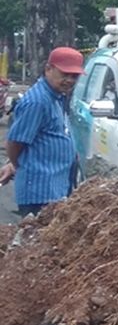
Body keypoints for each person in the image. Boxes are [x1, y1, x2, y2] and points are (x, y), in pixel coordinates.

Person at [0, 47, 85, 215]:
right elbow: (14, 142)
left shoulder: (56, 96)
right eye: (64, 74)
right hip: (40, 192)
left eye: (74, 76)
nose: (69, 80)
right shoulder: (37, 102)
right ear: (48, 69)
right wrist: (18, 165)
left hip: (57, 188)